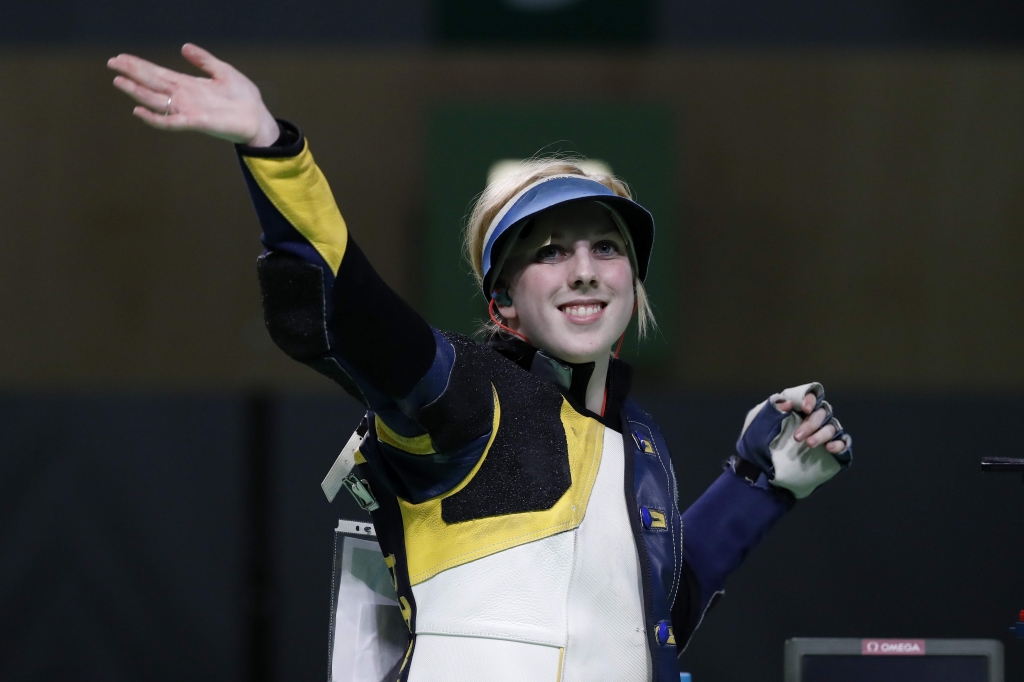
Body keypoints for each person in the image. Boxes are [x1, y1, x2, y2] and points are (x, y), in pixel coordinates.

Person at [108, 45, 853, 682]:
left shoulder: (640, 444)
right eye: (551, 253)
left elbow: (650, 622)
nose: (585, 271)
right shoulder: (471, 396)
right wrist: (273, 149)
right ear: (502, 304)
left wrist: (761, 484)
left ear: (632, 283)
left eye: (607, 248)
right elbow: (347, 311)